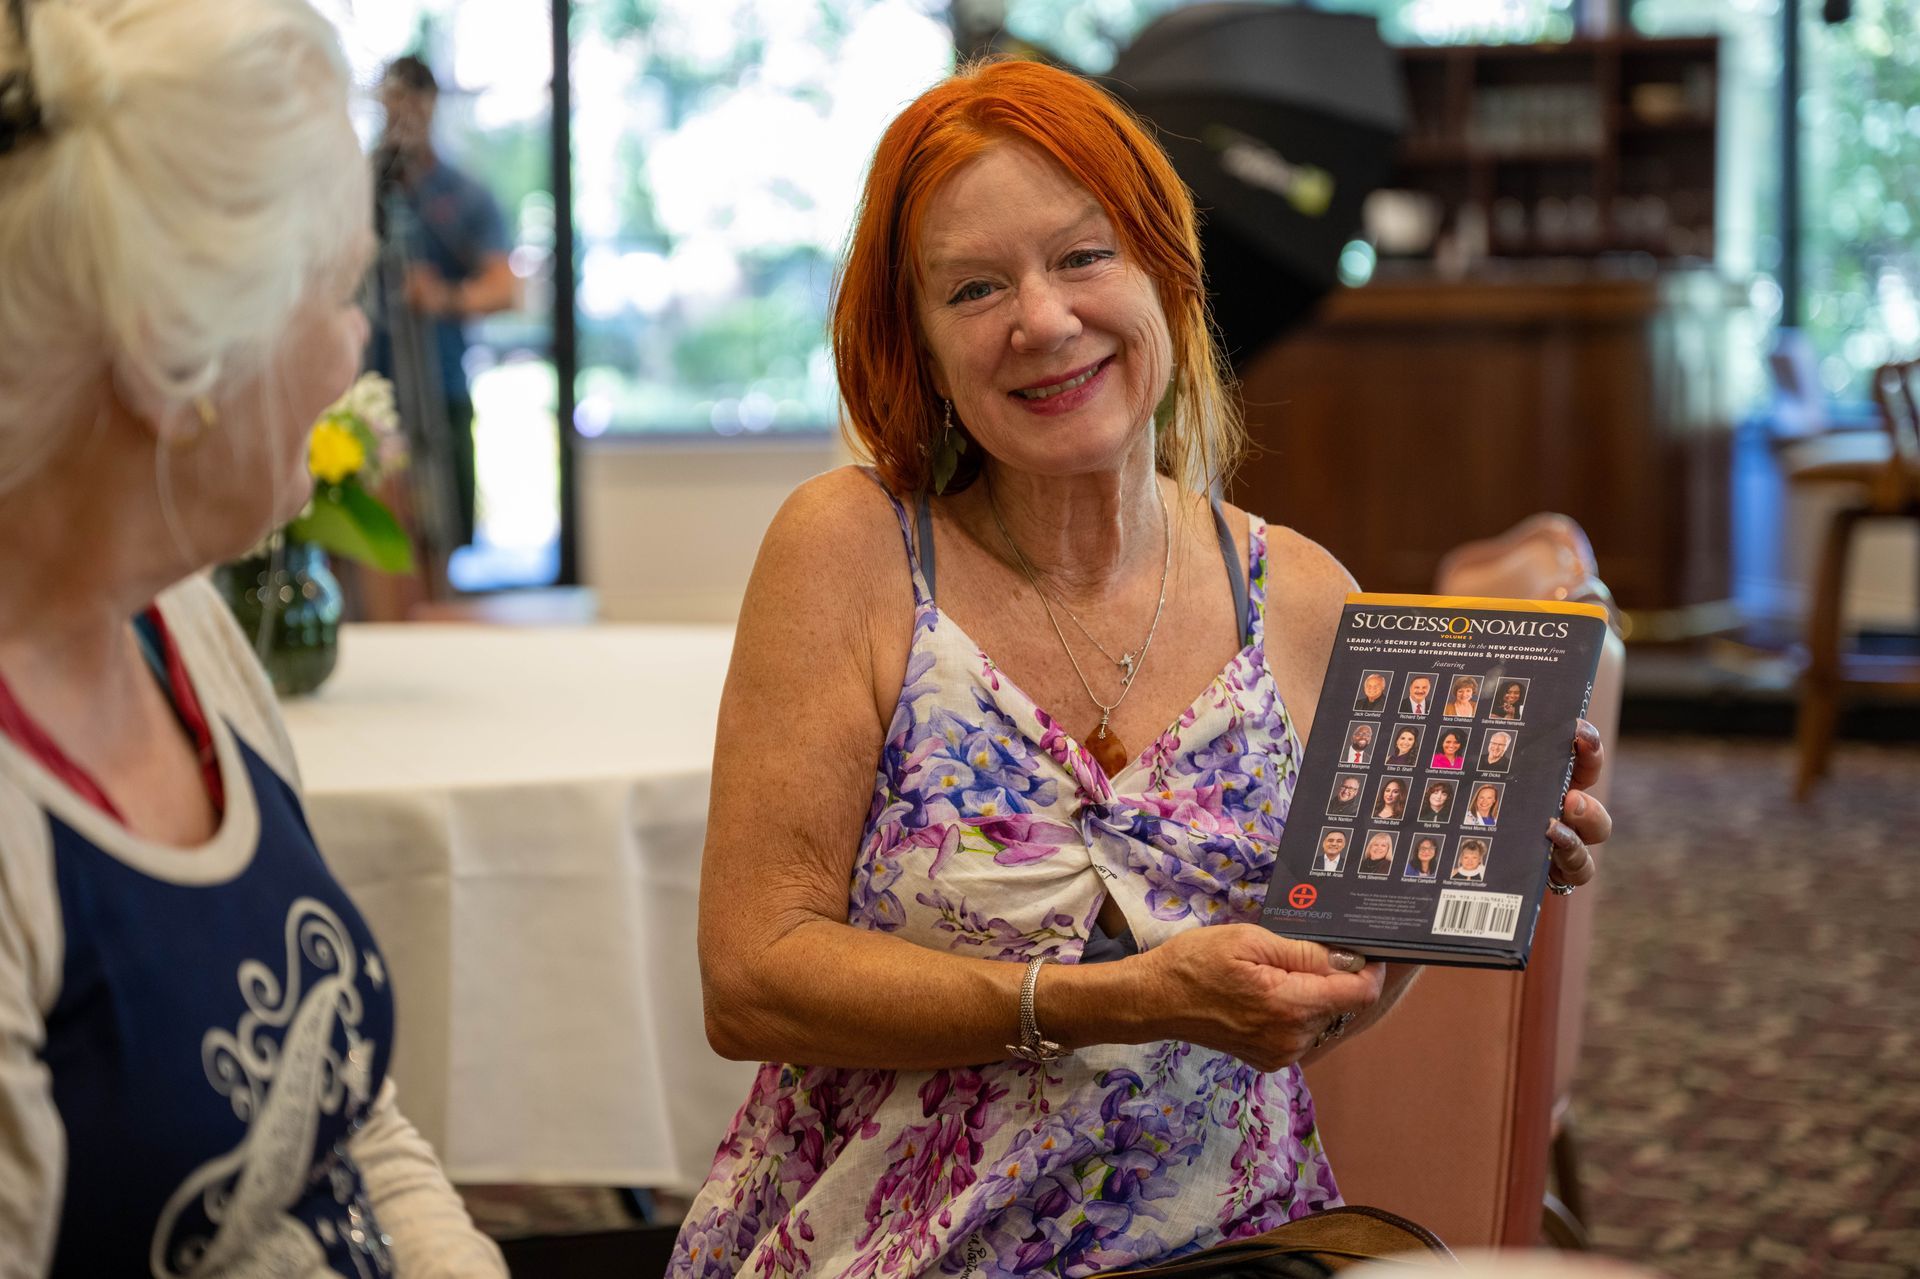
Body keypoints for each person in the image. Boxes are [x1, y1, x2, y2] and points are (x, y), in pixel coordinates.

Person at [674, 58, 1613, 1276]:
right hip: (901, 1250)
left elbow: (1313, 1015)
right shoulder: (852, 550)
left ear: (1163, 272)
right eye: (974, 287)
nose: (1043, 320)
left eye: (1081, 257)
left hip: (1235, 1249)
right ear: (921, 345)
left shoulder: (1304, 597)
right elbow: (749, 977)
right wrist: (1113, 999)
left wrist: (1454, 866)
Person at [0, 2, 507, 1274]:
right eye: (334, 298)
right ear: (180, 364)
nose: (351, 357)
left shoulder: (179, 628)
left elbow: (347, 1120)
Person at [367, 53, 516, 554]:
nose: (403, 115)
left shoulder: (464, 195)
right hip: (365, 396)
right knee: (372, 540)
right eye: (393, 102)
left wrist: (443, 298)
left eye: (413, 103)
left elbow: (504, 288)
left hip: (440, 390)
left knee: (439, 530)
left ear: (431, 106)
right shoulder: (357, 187)